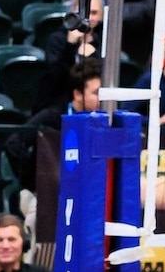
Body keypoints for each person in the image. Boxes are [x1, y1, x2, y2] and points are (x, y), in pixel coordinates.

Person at [6, 55, 98, 190]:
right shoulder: (51, 117)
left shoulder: (105, 120)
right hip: (44, 192)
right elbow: (13, 144)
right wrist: (33, 180)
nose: (102, 98)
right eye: (96, 93)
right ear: (78, 94)